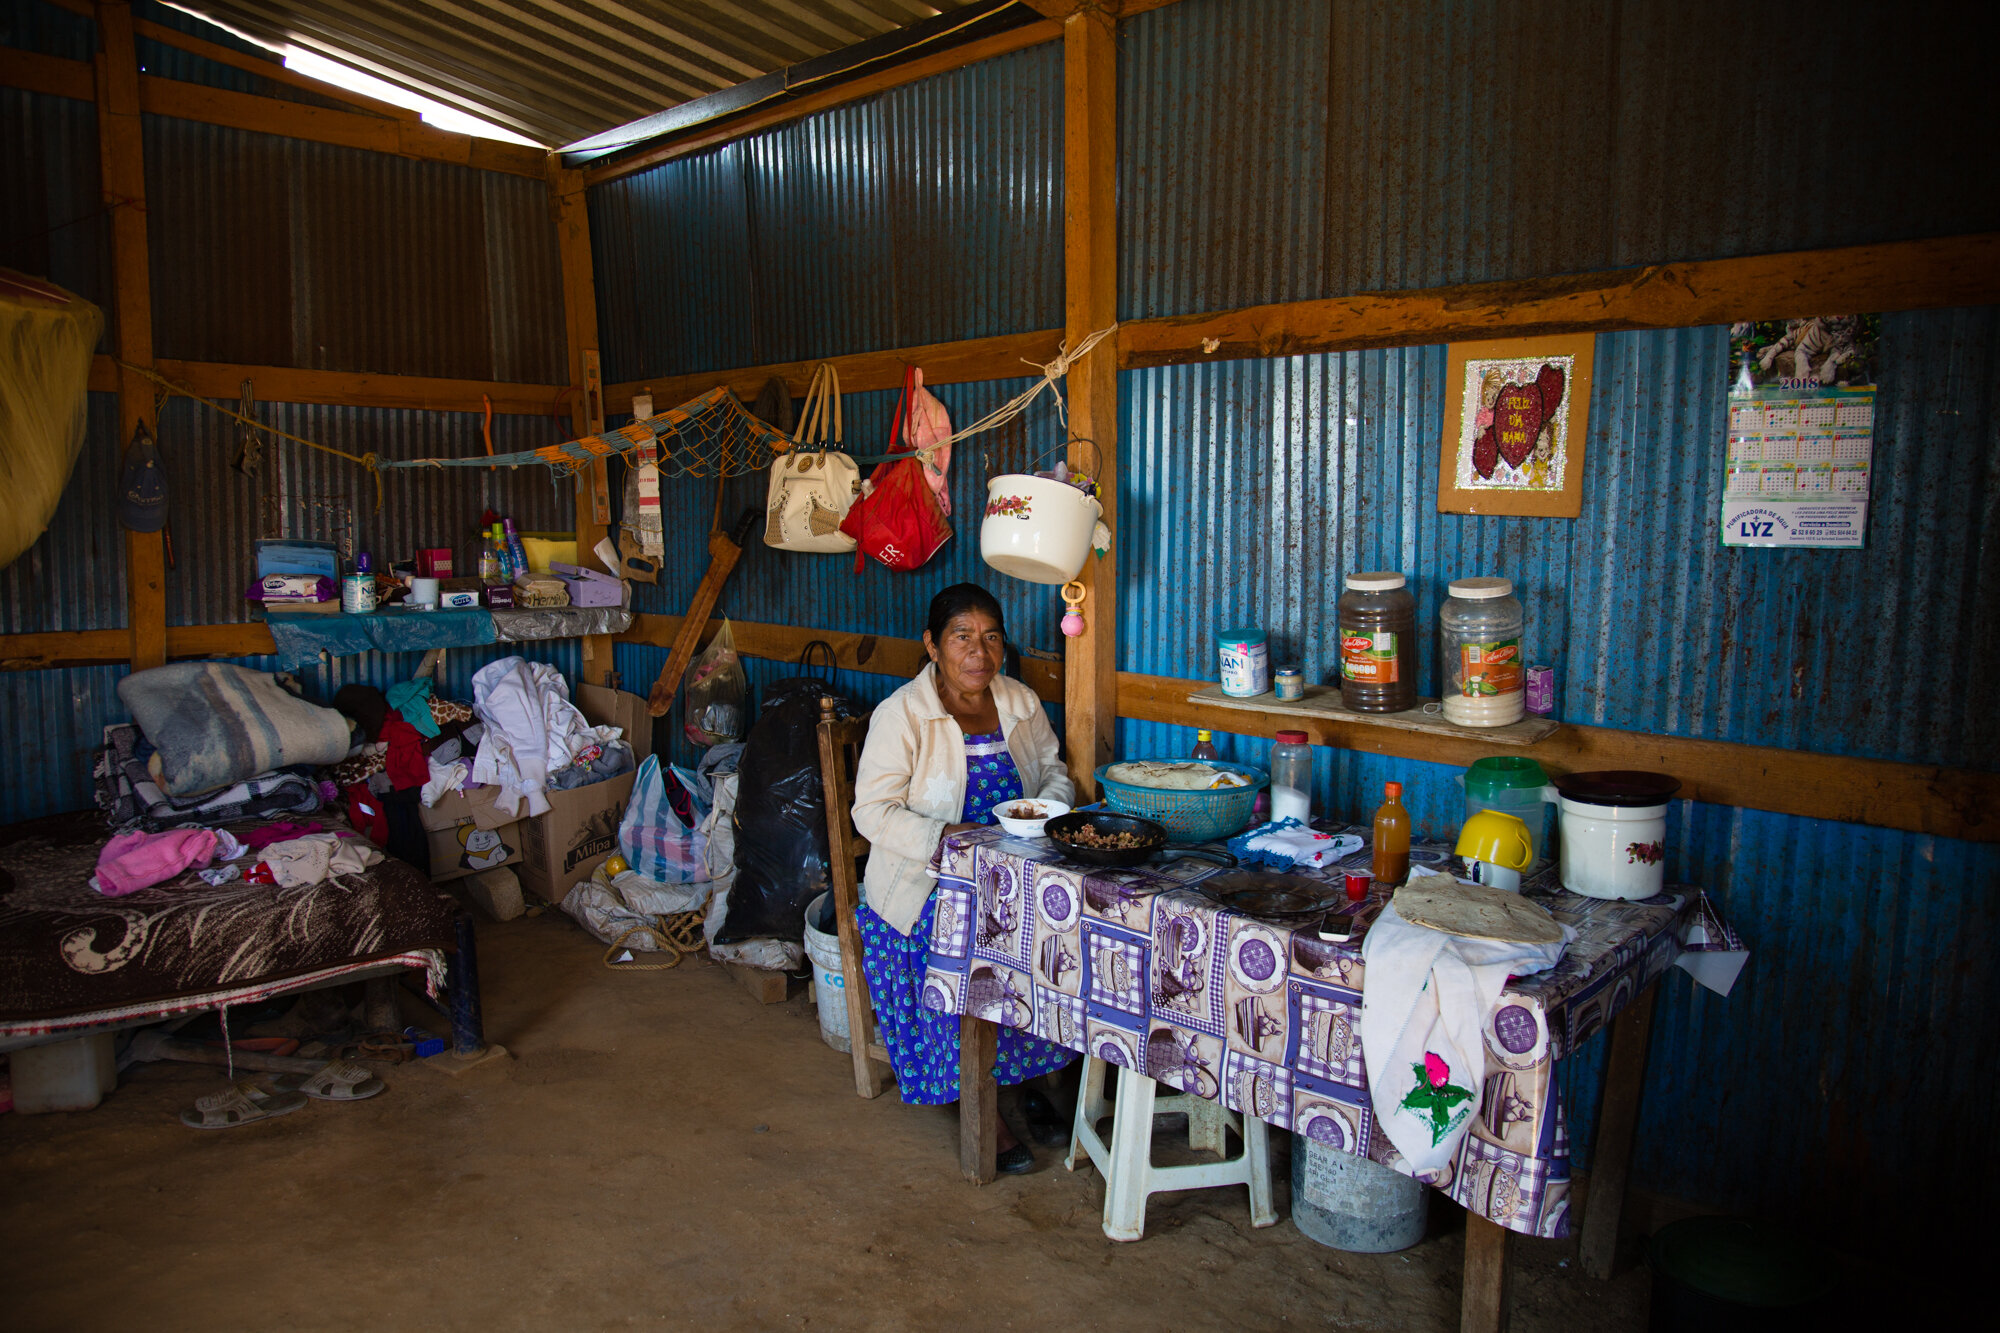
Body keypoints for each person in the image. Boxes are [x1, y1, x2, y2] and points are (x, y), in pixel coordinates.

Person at [851, 582, 1077, 1172]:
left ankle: (1028, 1079)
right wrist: (944, 839)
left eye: (991, 637)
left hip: (1013, 871)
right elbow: (870, 812)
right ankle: (982, 1104)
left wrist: (1045, 812)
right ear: (932, 645)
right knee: (965, 940)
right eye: (961, 637)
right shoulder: (902, 714)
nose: (979, 651)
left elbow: (1055, 771)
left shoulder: (1019, 701)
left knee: (1059, 935)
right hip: (926, 885)